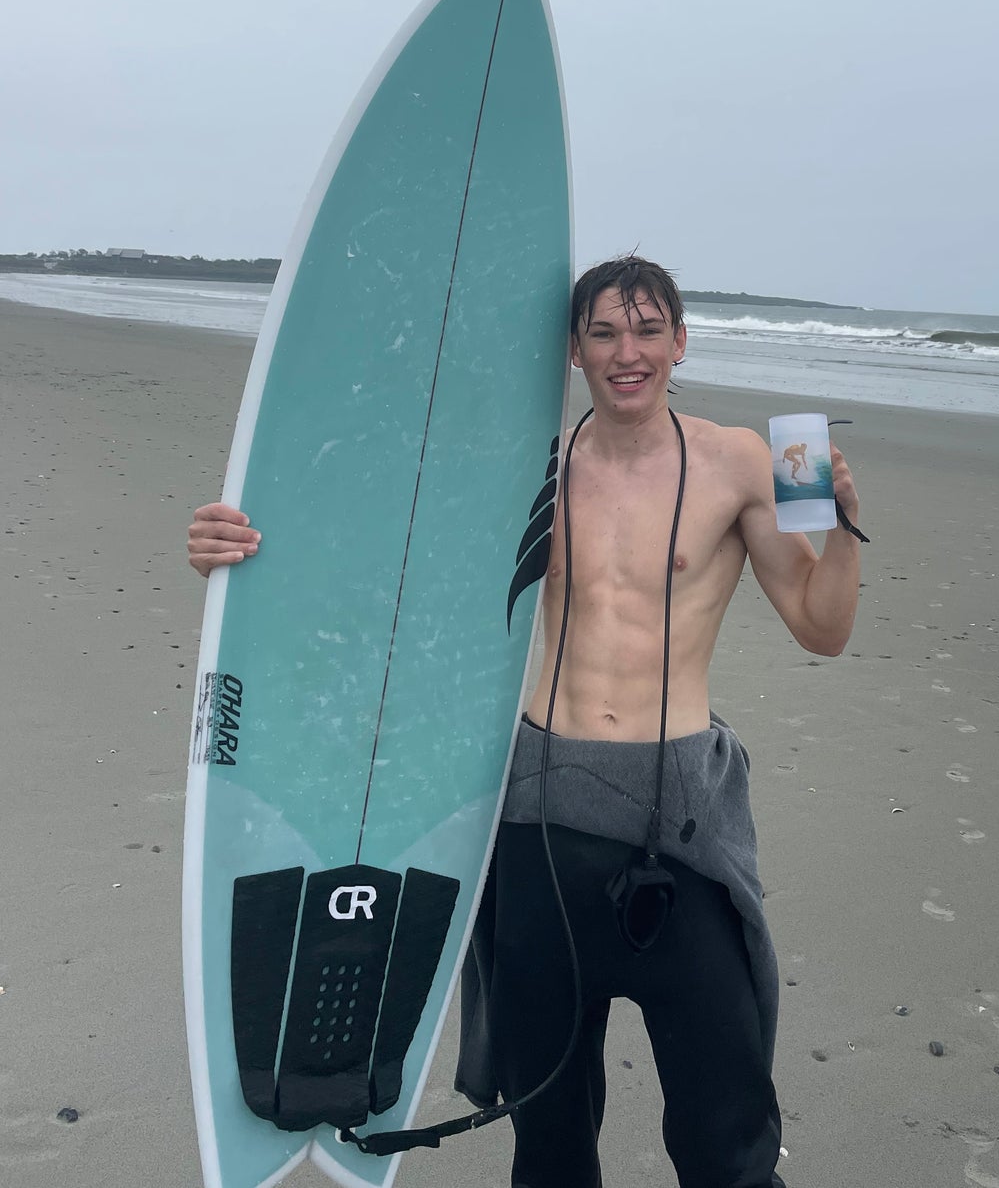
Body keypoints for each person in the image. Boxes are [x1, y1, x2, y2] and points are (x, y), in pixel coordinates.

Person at [187, 253, 862, 1188]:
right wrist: (238, 551)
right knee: (546, 1136)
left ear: (679, 339)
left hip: (683, 831)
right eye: (603, 333)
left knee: (724, 1136)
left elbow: (821, 628)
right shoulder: (527, 467)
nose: (628, 352)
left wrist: (842, 539)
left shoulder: (750, 459)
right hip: (543, 825)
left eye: (647, 329)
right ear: (574, 352)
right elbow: (382, 556)